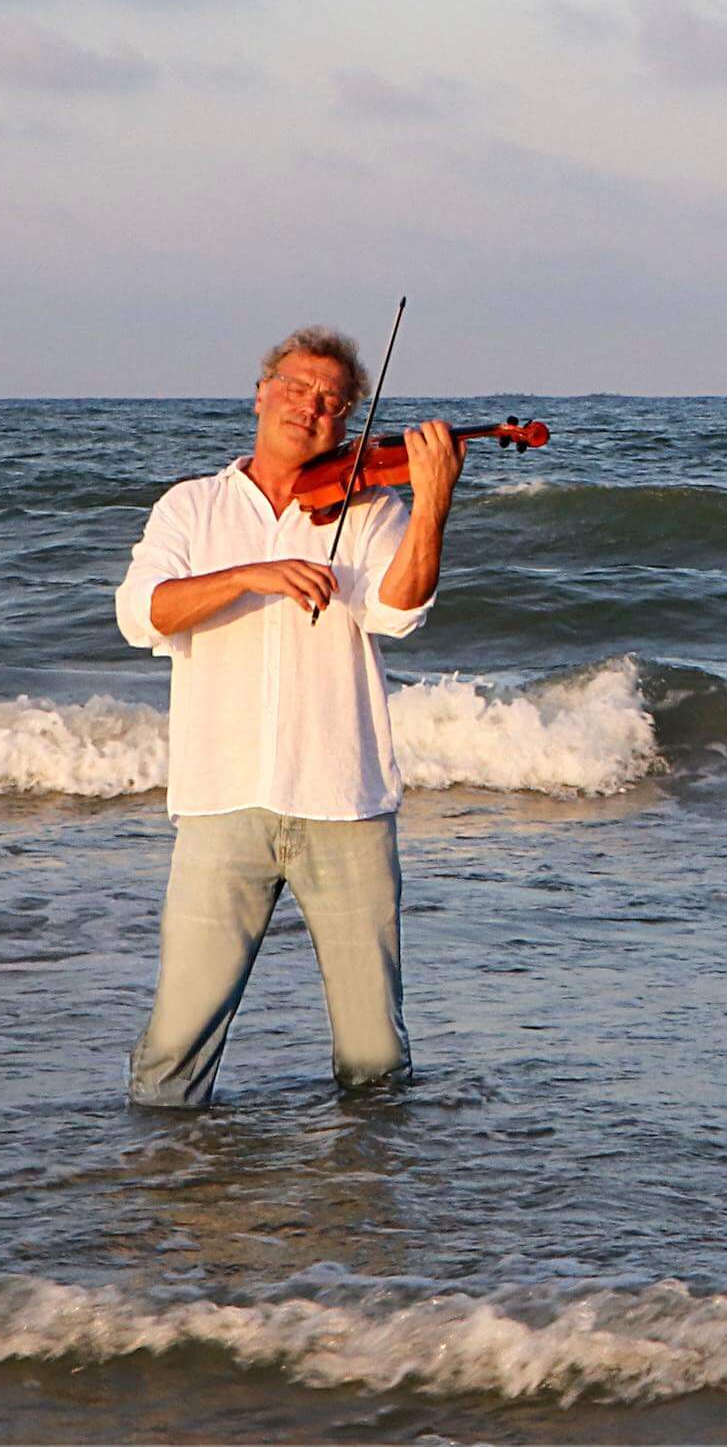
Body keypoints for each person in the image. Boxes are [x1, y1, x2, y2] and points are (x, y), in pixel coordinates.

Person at [113, 325, 464, 1106]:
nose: (313, 406)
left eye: (335, 402)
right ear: (263, 392)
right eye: (299, 388)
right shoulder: (192, 508)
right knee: (175, 1048)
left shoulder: (371, 510)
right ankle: (166, 1201)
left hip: (345, 801)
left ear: (347, 426)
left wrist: (433, 502)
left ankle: (369, 1204)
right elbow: (143, 614)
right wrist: (253, 574)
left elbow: (397, 614)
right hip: (220, 800)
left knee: (374, 1052)